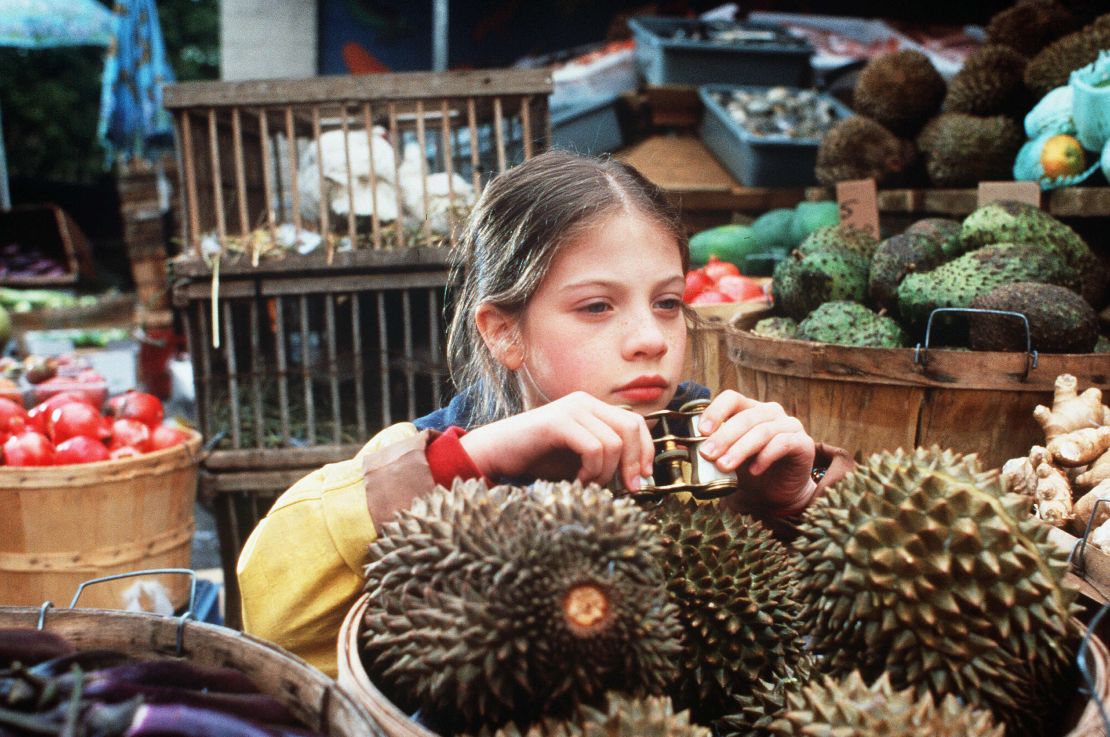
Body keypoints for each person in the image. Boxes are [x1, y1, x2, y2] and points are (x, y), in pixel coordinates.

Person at [236, 150, 853, 676]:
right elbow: (273, 615)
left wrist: (793, 505)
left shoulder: (715, 452)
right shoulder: (445, 458)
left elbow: (861, 623)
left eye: (667, 302)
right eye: (595, 307)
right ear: (504, 333)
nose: (651, 338)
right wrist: (465, 462)